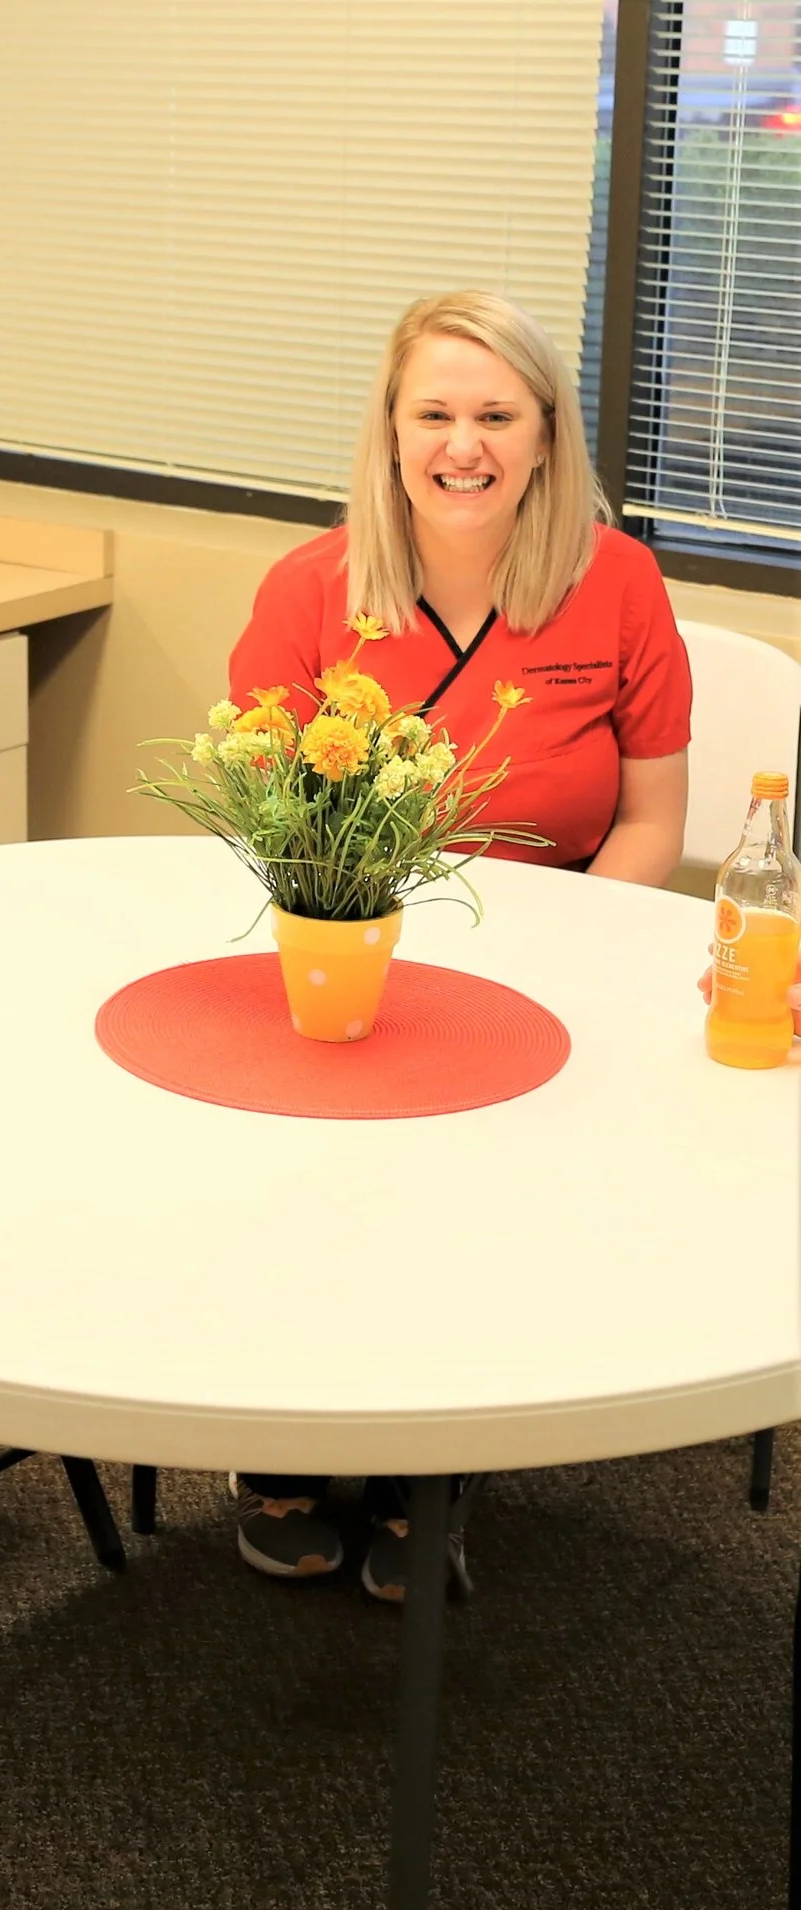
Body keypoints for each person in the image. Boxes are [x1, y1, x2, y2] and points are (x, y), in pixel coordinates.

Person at [224, 289, 693, 1601]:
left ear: (548, 434)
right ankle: (279, 1437)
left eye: (497, 414)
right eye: (434, 413)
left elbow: (656, 821)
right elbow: (268, 810)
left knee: (494, 1189)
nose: (463, 445)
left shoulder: (621, 586)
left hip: (559, 958)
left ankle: (443, 1466)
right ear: (390, 430)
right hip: (352, 952)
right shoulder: (313, 590)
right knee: (306, 1167)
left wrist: (559, 954)